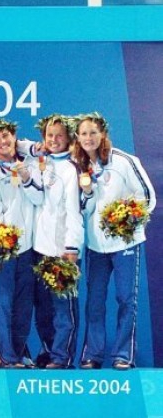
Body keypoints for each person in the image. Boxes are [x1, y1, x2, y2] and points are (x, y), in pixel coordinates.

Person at [74, 112, 156, 370]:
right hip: (96, 246)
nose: (88, 138)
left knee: (126, 299)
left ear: (103, 134)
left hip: (125, 244)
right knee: (94, 302)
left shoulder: (124, 161)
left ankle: (123, 355)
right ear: (78, 137)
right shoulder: (79, 166)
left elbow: (147, 196)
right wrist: (87, 192)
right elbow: (82, 209)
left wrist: (126, 220)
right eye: (84, 133)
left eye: (93, 132)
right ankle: (93, 355)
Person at [0, 119, 41, 368]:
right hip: (3, 248)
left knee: (24, 305)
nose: (3, 142)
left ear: (15, 137)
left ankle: (18, 352)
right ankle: (5, 356)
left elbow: (38, 198)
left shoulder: (31, 164)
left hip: (29, 248)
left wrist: (25, 176)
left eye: (6, 136)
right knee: (2, 304)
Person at [24, 113, 83, 369]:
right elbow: (15, 145)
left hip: (62, 250)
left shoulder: (72, 168)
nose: (54, 140)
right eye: (49, 135)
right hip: (39, 248)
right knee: (43, 308)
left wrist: (71, 247)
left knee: (63, 307)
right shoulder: (40, 161)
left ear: (69, 138)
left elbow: (74, 211)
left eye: (59, 136)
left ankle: (62, 356)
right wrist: (34, 148)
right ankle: (48, 351)